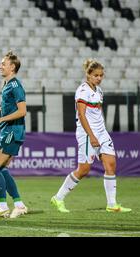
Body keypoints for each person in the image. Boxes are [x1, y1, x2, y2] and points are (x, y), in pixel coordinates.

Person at [51, 59, 131, 213]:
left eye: (101, 75)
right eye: (96, 75)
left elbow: (97, 112)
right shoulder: (82, 91)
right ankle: (58, 198)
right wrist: (92, 136)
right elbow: (81, 115)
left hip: (101, 132)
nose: (99, 78)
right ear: (88, 75)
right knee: (84, 170)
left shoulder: (99, 91)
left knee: (111, 164)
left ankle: (112, 204)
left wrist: (101, 132)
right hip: (87, 134)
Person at [0, 51, 28, 219]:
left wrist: (0, 118)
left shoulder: (15, 85)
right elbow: (12, 106)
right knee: (1, 168)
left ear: (12, 67)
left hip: (12, 131)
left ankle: (2, 206)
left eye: (3, 63)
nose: (0, 66)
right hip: (10, 131)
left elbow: (22, 111)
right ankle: (18, 204)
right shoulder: (8, 84)